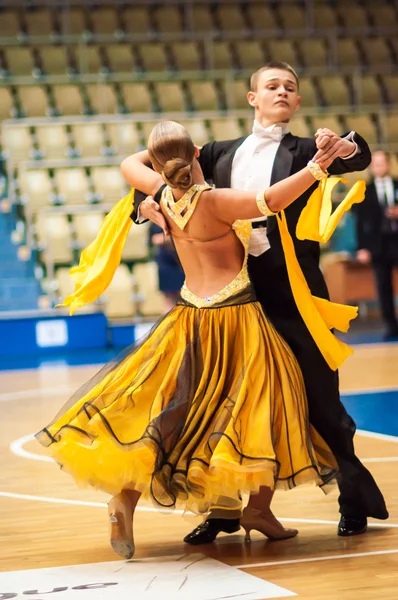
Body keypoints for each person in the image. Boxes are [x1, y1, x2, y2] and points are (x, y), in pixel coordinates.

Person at [36, 120, 354, 561]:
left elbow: (130, 162)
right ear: (196, 153)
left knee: (171, 411)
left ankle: (124, 500)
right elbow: (272, 199)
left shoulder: (162, 194)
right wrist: (318, 168)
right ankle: (258, 510)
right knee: (265, 406)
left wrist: (158, 166)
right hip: (238, 317)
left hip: (187, 319)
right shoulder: (215, 201)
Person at [128, 62, 388, 542]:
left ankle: (352, 499)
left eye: (290, 87)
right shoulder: (219, 152)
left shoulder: (310, 149)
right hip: (231, 295)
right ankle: (225, 510)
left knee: (322, 402)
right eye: (272, 86)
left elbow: (358, 155)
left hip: (294, 292)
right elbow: (156, 165)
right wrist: (147, 203)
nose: (282, 92)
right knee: (226, 404)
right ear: (253, 98)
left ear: (297, 101)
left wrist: (343, 146)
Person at [356, 151, 398, 341]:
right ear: (372, 167)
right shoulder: (365, 190)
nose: (380, 167)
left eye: (383, 163)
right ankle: (391, 325)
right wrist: (362, 247)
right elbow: (360, 221)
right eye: (376, 164)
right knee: (383, 286)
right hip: (378, 245)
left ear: (388, 165)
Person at [149, 222, 184, 312]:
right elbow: (155, 239)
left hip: (183, 261)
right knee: (169, 297)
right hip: (167, 262)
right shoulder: (157, 219)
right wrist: (172, 238)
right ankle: (169, 323)